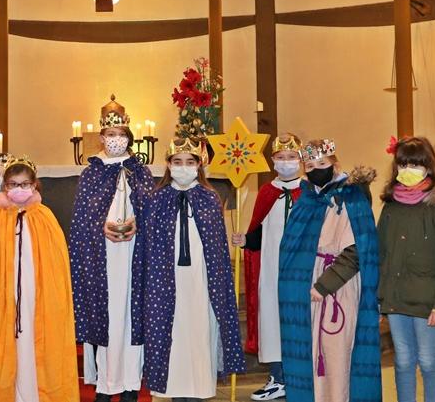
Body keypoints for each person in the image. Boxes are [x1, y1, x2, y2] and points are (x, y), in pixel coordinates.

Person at [134, 138, 245, 402]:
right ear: (169, 165)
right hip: (165, 282)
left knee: (199, 334)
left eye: (189, 162)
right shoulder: (156, 199)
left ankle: (199, 391)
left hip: (201, 281)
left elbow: (217, 248)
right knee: (172, 336)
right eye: (177, 162)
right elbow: (147, 246)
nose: (183, 167)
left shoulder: (209, 198)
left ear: (199, 165)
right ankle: (175, 393)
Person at [0, 156, 78, 401]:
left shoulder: (45, 217)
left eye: (25, 184)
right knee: (6, 344)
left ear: (35, 185)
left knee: (33, 346)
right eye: (13, 184)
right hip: (3, 297)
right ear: (5, 186)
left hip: (36, 295)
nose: (19, 189)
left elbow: (56, 265)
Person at [278, 139, 381, 402]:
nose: (315, 169)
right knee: (313, 355)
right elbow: (292, 248)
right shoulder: (307, 200)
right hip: (308, 285)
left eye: (322, 164)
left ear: (335, 164)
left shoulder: (352, 197)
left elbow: (358, 249)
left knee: (336, 355)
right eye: (310, 165)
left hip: (338, 286)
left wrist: (324, 285)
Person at [69, 96, 154, 402]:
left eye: (121, 136)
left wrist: (137, 224)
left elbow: (150, 212)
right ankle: (106, 384)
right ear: (101, 138)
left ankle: (131, 383)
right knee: (107, 316)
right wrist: (99, 228)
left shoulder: (140, 171)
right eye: (110, 136)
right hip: (100, 256)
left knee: (130, 316)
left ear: (129, 139)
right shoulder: (91, 173)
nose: (115, 140)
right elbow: (81, 221)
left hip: (133, 255)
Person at [377, 136, 435, 402]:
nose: (408, 170)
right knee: (403, 361)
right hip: (396, 297)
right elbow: (381, 252)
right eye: (403, 163)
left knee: (428, 361)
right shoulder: (391, 204)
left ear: (429, 166)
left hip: (429, 300)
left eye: (415, 164)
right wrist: (377, 297)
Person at [232, 133, 304, 401]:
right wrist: (245, 240)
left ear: (300, 160)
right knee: (272, 319)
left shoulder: (309, 193)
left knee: (299, 321)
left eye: (291, 157)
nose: (286, 162)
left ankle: (299, 378)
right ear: (273, 160)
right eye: (281, 158)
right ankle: (277, 378)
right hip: (272, 269)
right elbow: (259, 233)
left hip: (301, 272)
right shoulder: (267, 192)